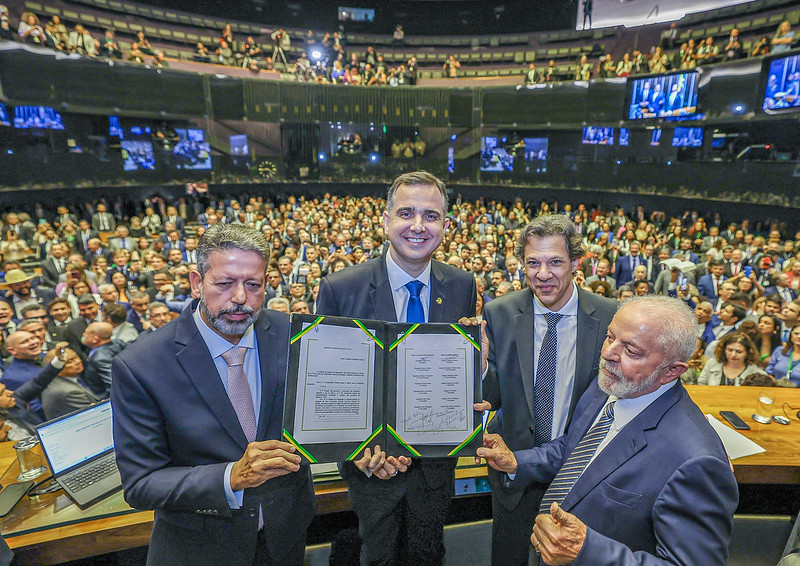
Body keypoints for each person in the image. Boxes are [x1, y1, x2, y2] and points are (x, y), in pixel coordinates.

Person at [477, 295, 738, 565]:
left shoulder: (697, 462)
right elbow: (575, 447)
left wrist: (585, 551)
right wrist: (517, 460)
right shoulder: (611, 383)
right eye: (610, 336)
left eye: (631, 351)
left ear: (671, 371)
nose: (608, 354)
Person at [111, 224, 315, 566]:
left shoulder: (297, 334)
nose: (239, 298)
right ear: (196, 282)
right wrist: (230, 476)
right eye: (224, 283)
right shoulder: (141, 365)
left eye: (253, 285)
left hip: (287, 536)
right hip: (201, 549)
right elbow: (141, 483)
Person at [316, 171, 477, 566]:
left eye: (431, 215)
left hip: (436, 471)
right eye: (406, 213)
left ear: (446, 225)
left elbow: (460, 375)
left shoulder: (462, 286)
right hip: (372, 471)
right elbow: (328, 387)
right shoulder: (341, 288)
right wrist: (359, 451)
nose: (418, 226)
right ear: (385, 220)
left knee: (428, 555)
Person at [479, 214, 616, 565]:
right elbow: (492, 395)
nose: (543, 274)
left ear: (576, 262)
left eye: (555, 262)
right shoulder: (499, 312)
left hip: (578, 473)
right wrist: (478, 370)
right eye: (533, 263)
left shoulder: (609, 316)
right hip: (513, 473)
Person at [697, 331, 762, 386]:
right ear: (724, 349)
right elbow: (701, 386)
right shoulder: (712, 364)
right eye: (730, 350)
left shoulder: (756, 373)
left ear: (747, 353)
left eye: (739, 352)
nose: (733, 355)